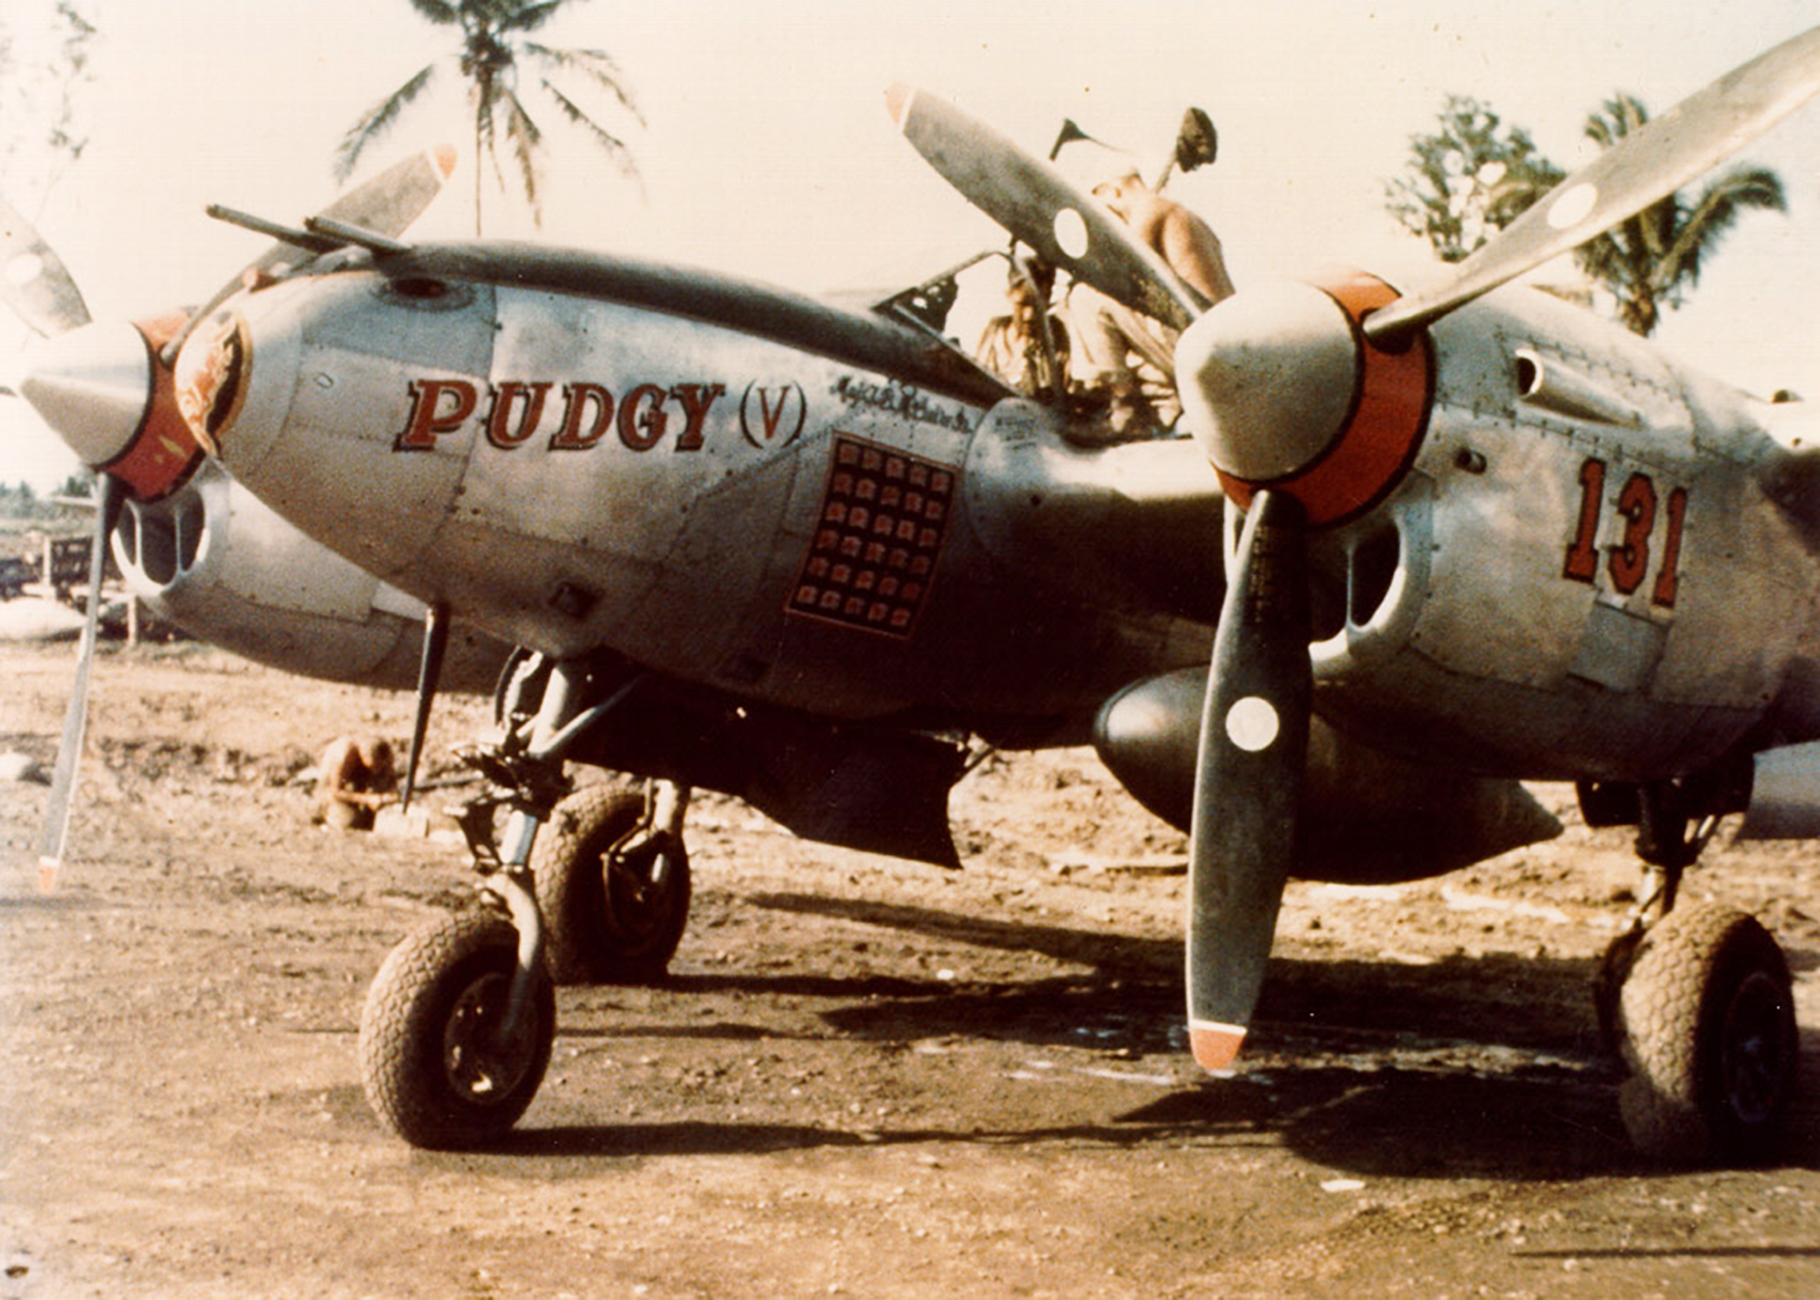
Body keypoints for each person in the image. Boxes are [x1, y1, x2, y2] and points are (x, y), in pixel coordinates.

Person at [1062, 148, 1235, 440]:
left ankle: (1124, 409)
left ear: (1114, 192)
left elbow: (1117, 276)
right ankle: (1167, 404)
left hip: (1201, 348)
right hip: (1221, 347)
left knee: (1085, 297)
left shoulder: (1148, 211)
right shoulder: (1184, 216)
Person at [975, 255, 1069, 399]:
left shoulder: (1056, 338)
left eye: (1038, 306)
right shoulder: (995, 331)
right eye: (1022, 304)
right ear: (1009, 295)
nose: (1029, 316)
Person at [312, 734, 398, 830]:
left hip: (358, 784)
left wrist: (390, 793)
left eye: (380, 766)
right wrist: (367, 799)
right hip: (333, 790)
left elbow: (390, 777)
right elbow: (335, 791)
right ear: (364, 755)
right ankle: (326, 815)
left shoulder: (384, 751)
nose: (377, 769)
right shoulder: (343, 755)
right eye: (375, 766)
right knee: (350, 822)